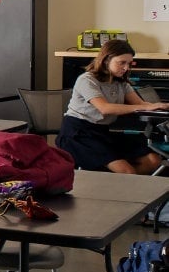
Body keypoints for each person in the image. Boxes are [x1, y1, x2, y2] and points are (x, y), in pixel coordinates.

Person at [57, 39, 165, 174]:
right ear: (106, 60)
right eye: (122, 63)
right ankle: (117, 180)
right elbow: (105, 108)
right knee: (127, 172)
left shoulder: (121, 83)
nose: (126, 68)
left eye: (129, 64)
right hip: (78, 134)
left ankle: (118, 181)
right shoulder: (87, 80)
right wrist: (144, 107)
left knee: (153, 160)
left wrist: (163, 106)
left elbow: (141, 104)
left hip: (102, 132)